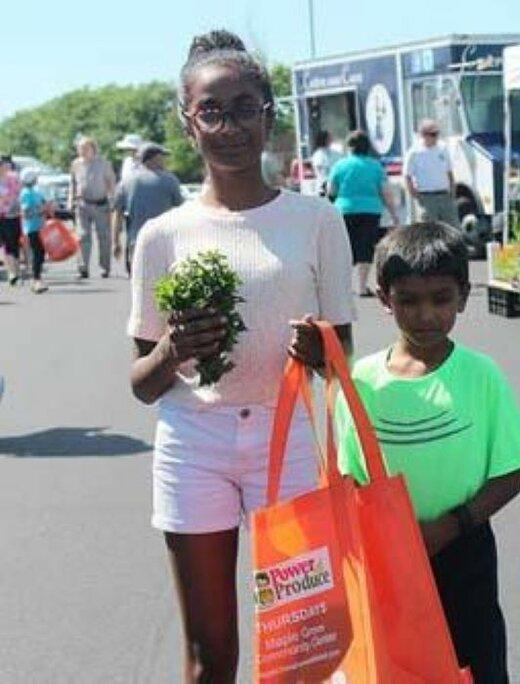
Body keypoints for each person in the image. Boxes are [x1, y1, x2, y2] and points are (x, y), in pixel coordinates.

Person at [127, 30, 355, 682]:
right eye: (212, 111)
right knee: (210, 657)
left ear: (269, 113)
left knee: (300, 649)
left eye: (244, 108)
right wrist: (174, 350)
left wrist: (322, 349)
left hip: (288, 444)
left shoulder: (316, 220)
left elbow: (342, 357)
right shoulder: (162, 235)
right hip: (193, 443)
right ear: (187, 121)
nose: (229, 127)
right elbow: (143, 384)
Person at [335, 222, 520, 682]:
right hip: (388, 558)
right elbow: (350, 476)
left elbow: (511, 475)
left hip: (465, 550)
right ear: (385, 299)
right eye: (408, 300)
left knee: (477, 661)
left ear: (464, 297)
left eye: (441, 299)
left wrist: (453, 525)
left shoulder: (481, 375)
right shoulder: (362, 381)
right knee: (400, 665)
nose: (425, 315)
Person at [327, 130, 400, 297]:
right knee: (365, 248)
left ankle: (344, 287)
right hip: (370, 210)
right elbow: (385, 191)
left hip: (344, 210)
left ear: (349, 147)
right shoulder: (375, 166)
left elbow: (331, 190)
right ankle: (361, 287)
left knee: (345, 248)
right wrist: (394, 213)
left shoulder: (340, 165)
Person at [112, 143, 184, 275]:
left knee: (139, 282)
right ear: (154, 158)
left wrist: (115, 242)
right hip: (164, 240)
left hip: (136, 240)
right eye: (162, 157)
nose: (164, 161)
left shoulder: (126, 181)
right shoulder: (170, 180)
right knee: (163, 281)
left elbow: (117, 213)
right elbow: (181, 211)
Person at [69, 136, 116, 279]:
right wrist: (71, 200)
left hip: (101, 204)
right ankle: (83, 267)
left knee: (104, 237)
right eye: (80, 148)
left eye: (85, 148)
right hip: (82, 204)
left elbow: (111, 182)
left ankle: (104, 267)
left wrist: (112, 200)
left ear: (93, 149)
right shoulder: (76, 164)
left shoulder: (104, 163)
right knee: (82, 236)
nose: (82, 151)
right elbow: (72, 183)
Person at [404, 119, 459, 228]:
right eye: (433, 134)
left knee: (453, 229)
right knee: (428, 231)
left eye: (437, 133)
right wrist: (415, 194)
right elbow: (407, 176)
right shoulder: (414, 152)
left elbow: (449, 171)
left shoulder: (443, 148)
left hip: (445, 196)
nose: (436, 137)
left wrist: (452, 191)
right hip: (427, 197)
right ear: (423, 135)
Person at [19, 168, 50, 293]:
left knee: (41, 253)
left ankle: (38, 278)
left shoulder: (36, 191)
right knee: (37, 253)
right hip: (32, 227)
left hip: (40, 226)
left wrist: (47, 206)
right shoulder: (26, 193)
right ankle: (36, 280)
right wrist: (41, 209)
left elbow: (44, 202)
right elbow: (26, 212)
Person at [0, 156, 22, 286]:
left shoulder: (13, 178)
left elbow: (18, 193)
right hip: (1, 216)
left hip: (13, 215)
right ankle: (11, 273)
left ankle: (16, 271)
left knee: (14, 243)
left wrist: (7, 199)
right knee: (5, 245)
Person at [309, 130, 342, 195]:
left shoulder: (335, 153)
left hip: (333, 186)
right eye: (330, 137)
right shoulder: (318, 155)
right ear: (325, 139)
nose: (332, 139)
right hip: (324, 187)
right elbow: (322, 172)